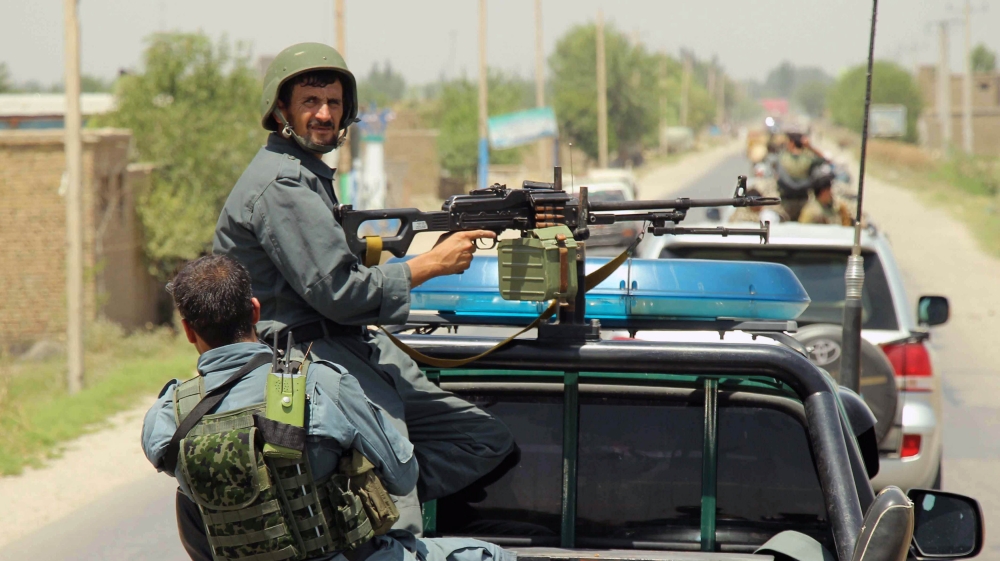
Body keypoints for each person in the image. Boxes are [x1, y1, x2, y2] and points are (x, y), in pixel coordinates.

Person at [211, 42, 517, 537]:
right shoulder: (282, 185)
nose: (324, 114)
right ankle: (384, 523)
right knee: (394, 476)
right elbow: (339, 292)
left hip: (346, 341)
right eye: (310, 102)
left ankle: (354, 503)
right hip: (304, 355)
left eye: (333, 102)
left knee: (482, 438)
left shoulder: (307, 176)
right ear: (282, 110)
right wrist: (428, 266)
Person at [141, 255, 514, 561]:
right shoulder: (322, 383)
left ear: (189, 331)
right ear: (255, 312)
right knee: (489, 555)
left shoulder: (168, 417)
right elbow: (403, 477)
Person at [775, 127, 829, 221]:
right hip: (803, 200)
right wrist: (810, 147)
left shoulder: (782, 158)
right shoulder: (808, 158)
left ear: (791, 143)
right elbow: (825, 160)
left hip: (785, 201)